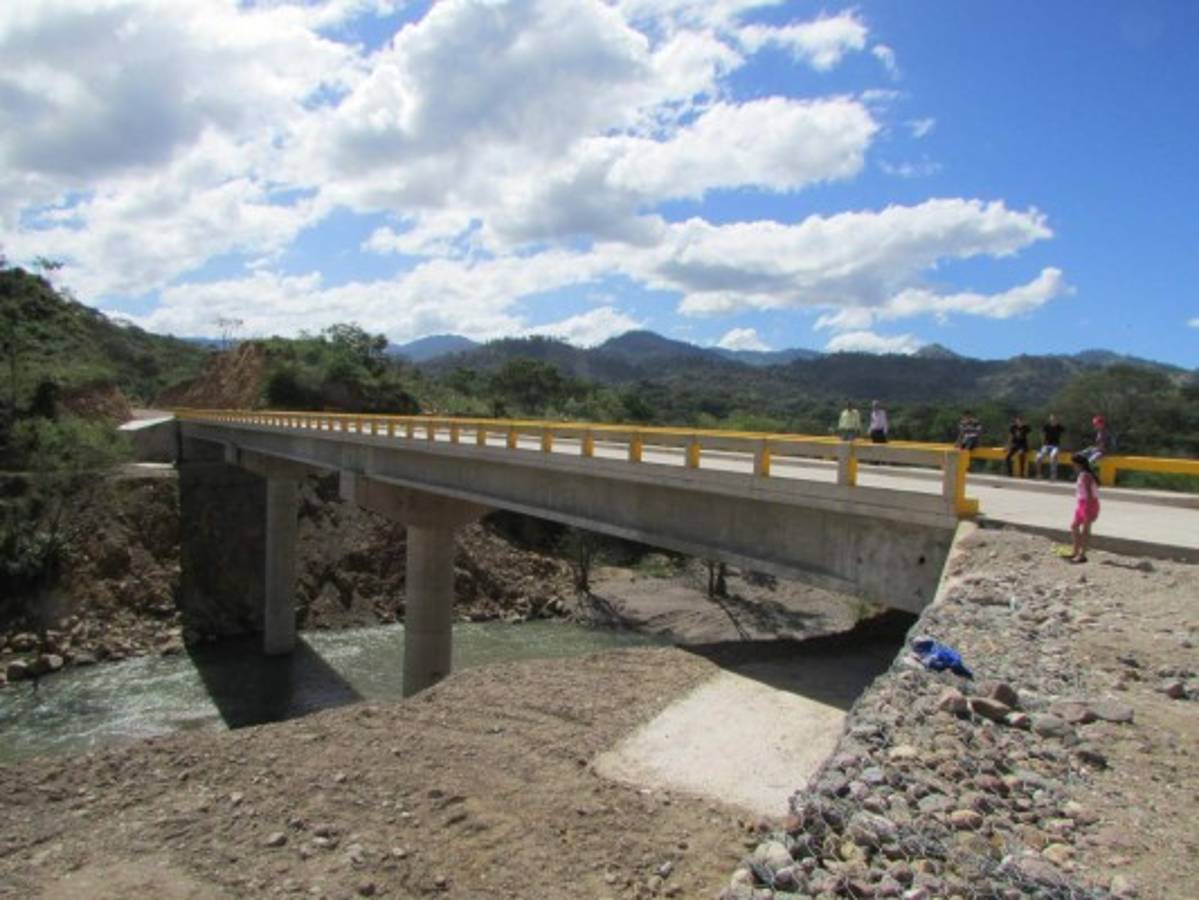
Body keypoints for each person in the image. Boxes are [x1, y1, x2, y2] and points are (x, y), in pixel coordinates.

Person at [1069, 452, 1100, 563]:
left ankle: (1082, 555)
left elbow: (1089, 493)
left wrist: (1087, 507)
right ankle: (1076, 551)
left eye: (1073, 464)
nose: (1072, 466)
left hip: (1088, 503)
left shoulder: (1085, 475)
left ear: (1078, 464)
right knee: (1074, 526)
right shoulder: (1084, 474)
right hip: (1082, 503)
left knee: (1085, 530)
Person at [1035, 414, 1065, 480]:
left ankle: (1053, 475)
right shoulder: (1046, 426)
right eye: (1052, 419)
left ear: (1056, 420)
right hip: (1046, 445)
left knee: (1053, 456)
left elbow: (1064, 433)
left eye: (1054, 419)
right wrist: (1042, 442)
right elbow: (1041, 432)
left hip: (1055, 446)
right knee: (1038, 457)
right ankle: (1039, 474)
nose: (1053, 421)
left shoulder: (1059, 427)